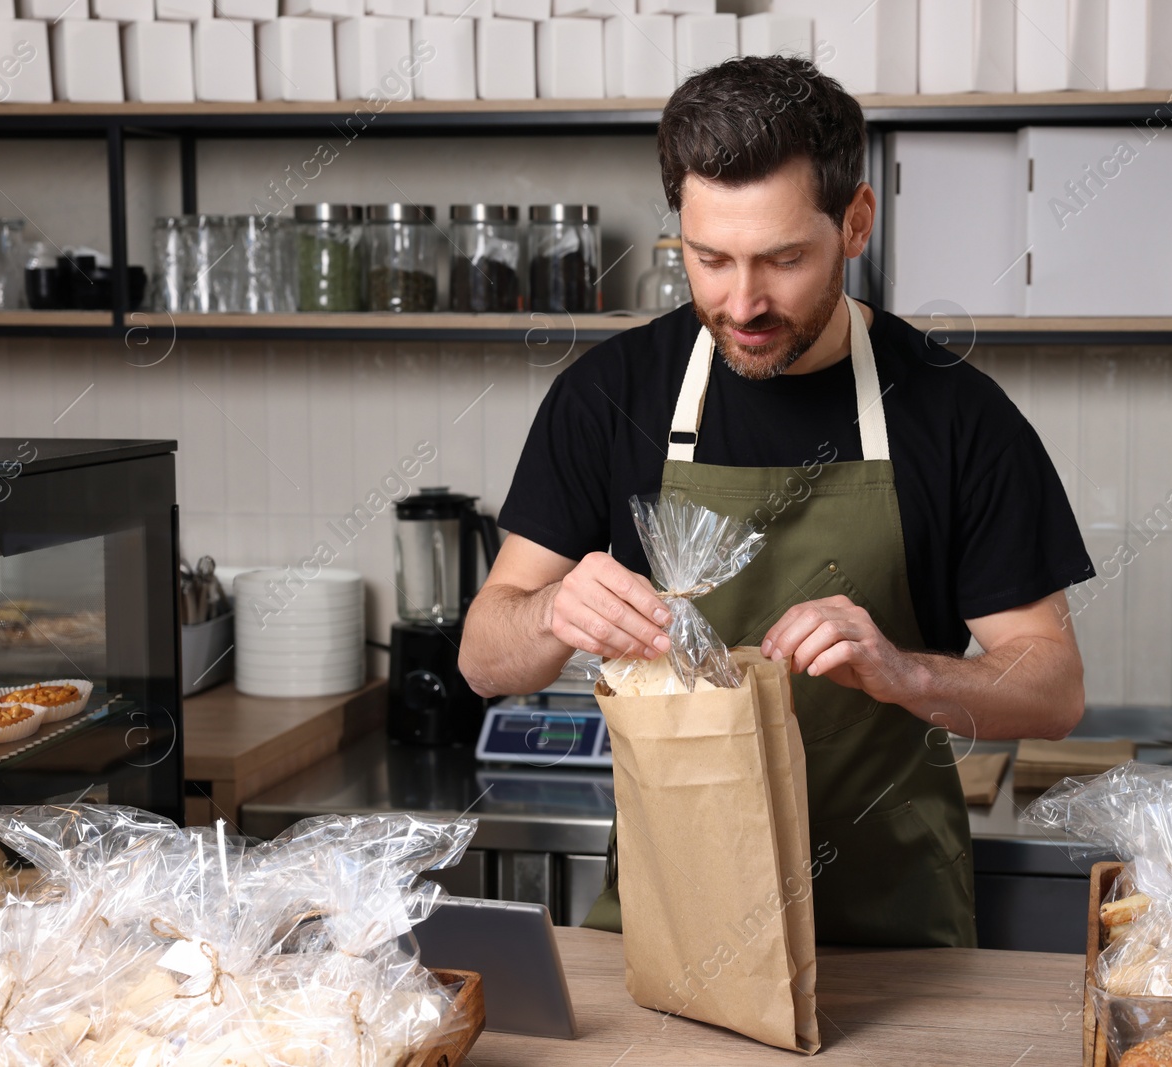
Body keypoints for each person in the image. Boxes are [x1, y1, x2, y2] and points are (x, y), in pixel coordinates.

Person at [459, 55, 1094, 948]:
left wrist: (908, 673)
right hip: (671, 937)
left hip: (893, 941)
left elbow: (1053, 687)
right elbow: (488, 658)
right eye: (708, 258)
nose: (742, 301)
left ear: (857, 223)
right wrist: (556, 612)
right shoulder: (608, 396)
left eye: (784, 259)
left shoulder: (956, 413)